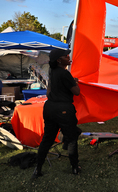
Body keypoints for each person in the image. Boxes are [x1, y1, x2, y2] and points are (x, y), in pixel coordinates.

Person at [32, 49, 81, 179]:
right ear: (59, 60)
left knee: (47, 140)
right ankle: (75, 168)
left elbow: (48, 93)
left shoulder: (51, 71)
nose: (68, 57)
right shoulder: (65, 73)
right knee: (71, 139)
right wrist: (75, 82)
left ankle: (38, 169)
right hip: (64, 109)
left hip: (49, 108)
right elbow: (76, 92)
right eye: (66, 56)